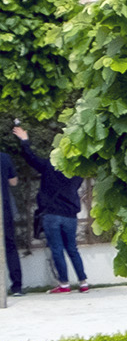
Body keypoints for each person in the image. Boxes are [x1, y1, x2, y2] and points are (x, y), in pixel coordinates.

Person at [7, 127, 88, 293]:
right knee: (72, 249)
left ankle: (64, 285)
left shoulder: (49, 166)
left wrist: (25, 141)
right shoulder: (77, 171)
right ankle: (83, 283)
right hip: (70, 215)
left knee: (57, 250)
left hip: (51, 214)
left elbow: (31, 158)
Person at [0, 146, 22, 296]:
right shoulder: (4, 157)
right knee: (10, 247)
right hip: (4, 208)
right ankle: (17, 286)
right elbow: (13, 182)